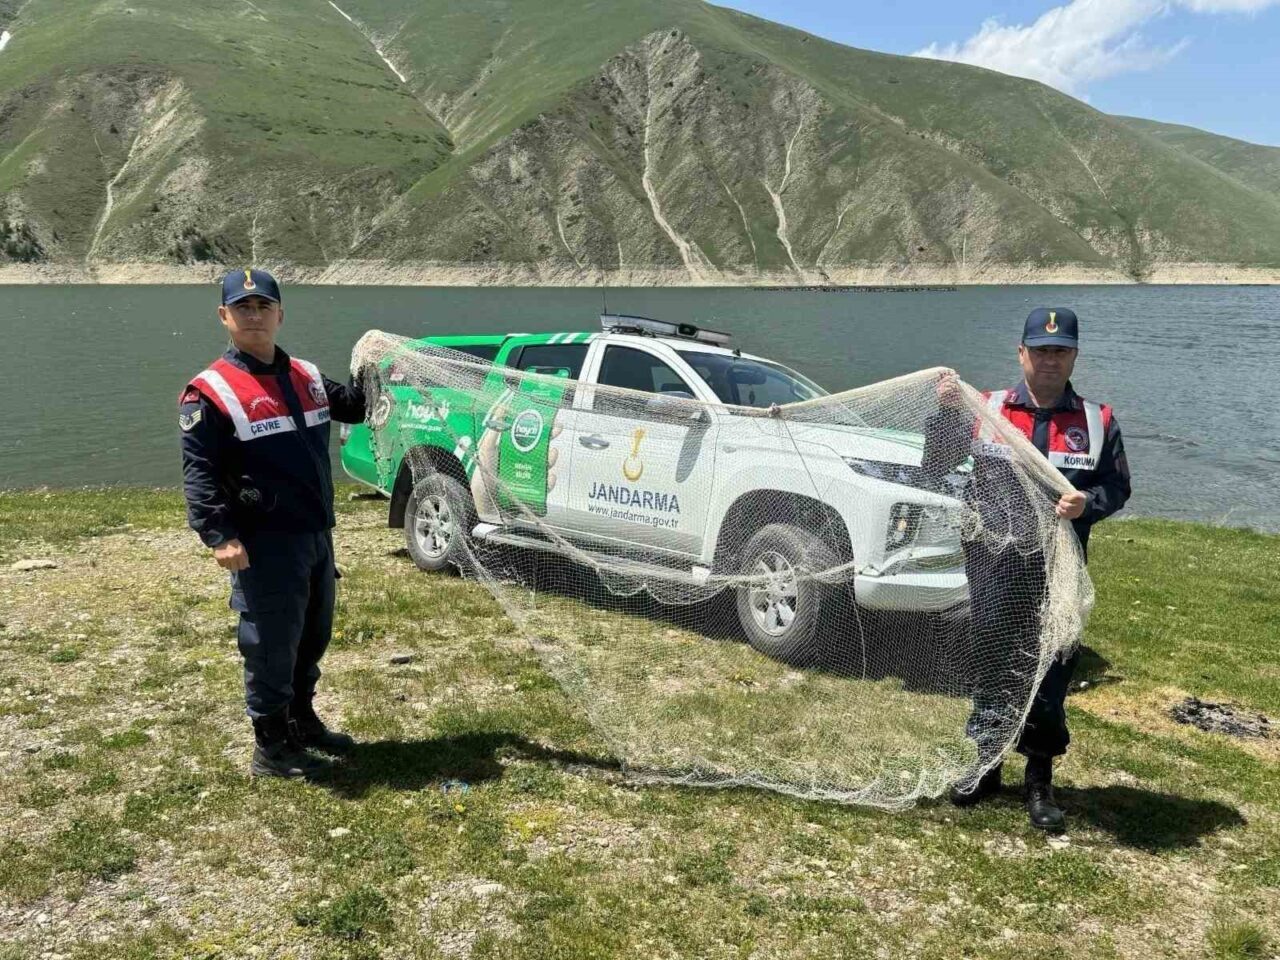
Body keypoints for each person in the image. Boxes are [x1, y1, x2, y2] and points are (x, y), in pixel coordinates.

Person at [923, 307, 1131, 831]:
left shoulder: (1097, 421)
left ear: (1074, 356)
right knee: (993, 659)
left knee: (1052, 665)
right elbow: (937, 464)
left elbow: (1117, 486)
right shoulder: (985, 408)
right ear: (1021, 353)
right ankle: (985, 764)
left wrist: (1089, 503)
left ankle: (1040, 777)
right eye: (1040, 350)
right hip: (994, 562)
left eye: (1059, 351)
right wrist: (947, 413)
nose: (1049, 360)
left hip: (1058, 567)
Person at [179, 268, 368, 778]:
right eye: (243, 308)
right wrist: (218, 534)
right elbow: (200, 472)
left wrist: (376, 369)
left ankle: (302, 719)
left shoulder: (305, 375)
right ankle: (270, 745)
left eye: (264, 306)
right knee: (271, 643)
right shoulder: (209, 391)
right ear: (225, 317)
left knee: (312, 635)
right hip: (266, 542)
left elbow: (355, 406)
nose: (254, 315)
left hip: (315, 534)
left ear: (280, 314)